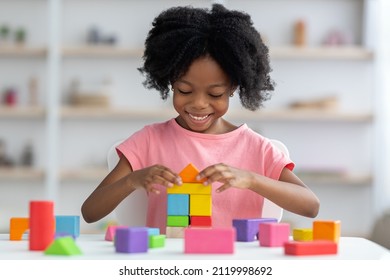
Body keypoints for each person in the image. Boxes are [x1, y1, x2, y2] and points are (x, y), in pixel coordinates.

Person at [81, 4, 320, 233]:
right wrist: (132, 180)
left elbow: (310, 206)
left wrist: (251, 179)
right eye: (185, 90)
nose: (198, 103)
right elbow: (90, 212)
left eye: (215, 94)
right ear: (170, 83)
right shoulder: (149, 140)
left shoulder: (257, 148)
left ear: (233, 87)